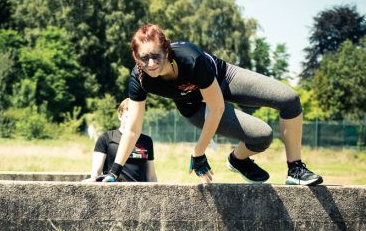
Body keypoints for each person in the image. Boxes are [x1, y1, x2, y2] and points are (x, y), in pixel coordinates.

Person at [97, 24, 322, 186]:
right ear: (136, 58)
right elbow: (133, 129)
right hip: (194, 106)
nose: (152, 63)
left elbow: (217, 108)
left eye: (156, 56)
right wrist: (114, 172)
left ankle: (295, 169)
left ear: (167, 50)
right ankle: (239, 160)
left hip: (224, 79)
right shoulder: (139, 78)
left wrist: (198, 152)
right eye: (144, 58)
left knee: (290, 99)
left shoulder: (191, 59)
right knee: (263, 136)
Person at [85, 98, 157, 182]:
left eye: (136, 118)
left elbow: (151, 176)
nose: (132, 121)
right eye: (128, 117)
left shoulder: (147, 141)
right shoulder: (106, 138)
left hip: (140, 192)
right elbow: (96, 172)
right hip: (115, 191)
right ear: (120, 116)